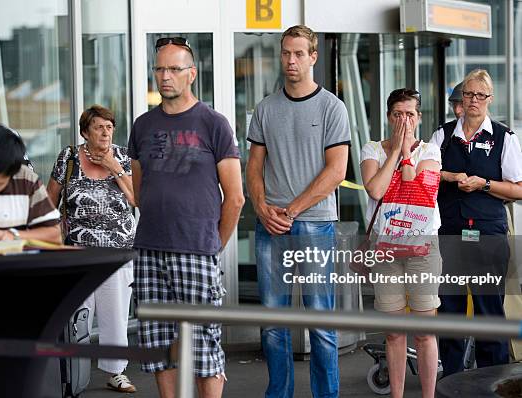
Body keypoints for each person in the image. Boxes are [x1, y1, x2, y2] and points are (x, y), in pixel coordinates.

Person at [128, 37, 244, 398]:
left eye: (174, 69)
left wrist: (212, 244)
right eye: (159, 69)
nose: (165, 76)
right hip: (149, 249)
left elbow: (236, 198)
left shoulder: (213, 123)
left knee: (203, 349)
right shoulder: (143, 125)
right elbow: (141, 190)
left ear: (192, 74)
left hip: (196, 250)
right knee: (160, 349)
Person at [246, 25, 350, 398]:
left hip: (315, 226)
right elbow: (253, 166)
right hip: (270, 226)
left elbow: (336, 172)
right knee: (274, 323)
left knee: (320, 321)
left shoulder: (332, 107)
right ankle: (280, 394)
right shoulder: (266, 108)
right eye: (286, 53)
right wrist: (261, 207)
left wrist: (289, 210)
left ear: (313, 57)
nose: (291, 61)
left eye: (298, 54)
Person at [430, 69, 522, 376]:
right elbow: (426, 175)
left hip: (488, 237)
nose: (474, 100)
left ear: (489, 100)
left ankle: (493, 382)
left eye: (480, 95)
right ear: (462, 98)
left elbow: (518, 189)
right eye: (469, 94)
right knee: (450, 313)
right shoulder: (442, 135)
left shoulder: (504, 137)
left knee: (489, 314)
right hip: (450, 236)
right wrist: (451, 177)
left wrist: (484, 184)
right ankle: (452, 382)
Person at [46, 105, 137, 393]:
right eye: (99, 127)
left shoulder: (123, 157)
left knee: (115, 312)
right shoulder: (69, 157)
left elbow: (136, 199)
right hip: (78, 251)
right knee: (77, 314)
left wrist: (115, 168)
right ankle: (75, 371)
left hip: (117, 251)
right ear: (85, 132)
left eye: (109, 126)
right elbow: (50, 199)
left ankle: (116, 371)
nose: (105, 131)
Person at [361, 88, 442, 398]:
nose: (404, 120)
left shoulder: (431, 151)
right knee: (394, 332)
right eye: (398, 114)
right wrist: (395, 150)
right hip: (386, 251)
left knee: (424, 332)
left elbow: (416, 192)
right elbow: (376, 190)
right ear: (388, 117)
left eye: (410, 114)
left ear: (419, 118)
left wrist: (407, 152)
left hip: (422, 249)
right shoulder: (372, 149)